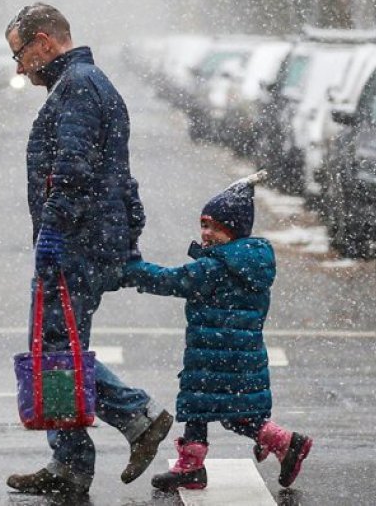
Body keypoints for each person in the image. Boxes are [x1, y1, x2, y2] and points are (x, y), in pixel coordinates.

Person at [5, 3, 173, 497]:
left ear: (43, 42)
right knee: (57, 345)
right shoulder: (89, 83)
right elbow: (120, 173)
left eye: (20, 55)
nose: (19, 67)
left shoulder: (78, 87)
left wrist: (53, 234)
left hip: (77, 243)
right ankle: (69, 460)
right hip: (92, 239)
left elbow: (74, 170)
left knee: (58, 350)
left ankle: (136, 416)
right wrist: (128, 235)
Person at [120, 171, 313, 492]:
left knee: (223, 412)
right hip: (235, 352)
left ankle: (284, 442)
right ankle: (196, 465)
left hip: (217, 355)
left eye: (215, 228)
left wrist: (132, 271)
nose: (206, 233)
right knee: (209, 408)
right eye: (204, 225)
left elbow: (173, 280)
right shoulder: (248, 263)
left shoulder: (217, 267)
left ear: (233, 232)